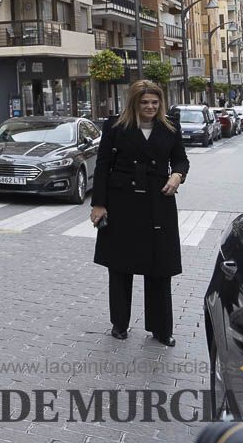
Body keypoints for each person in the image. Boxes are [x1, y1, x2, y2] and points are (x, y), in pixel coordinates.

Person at [89, 80, 189, 347]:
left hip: (159, 203)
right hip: (122, 203)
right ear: (134, 103)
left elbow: (181, 158)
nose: (150, 107)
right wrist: (99, 204)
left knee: (160, 267)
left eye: (155, 102)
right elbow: (102, 166)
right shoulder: (115, 127)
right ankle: (119, 325)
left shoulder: (170, 126)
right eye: (145, 102)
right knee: (120, 267)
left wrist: (177, 175)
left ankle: (160, 329)